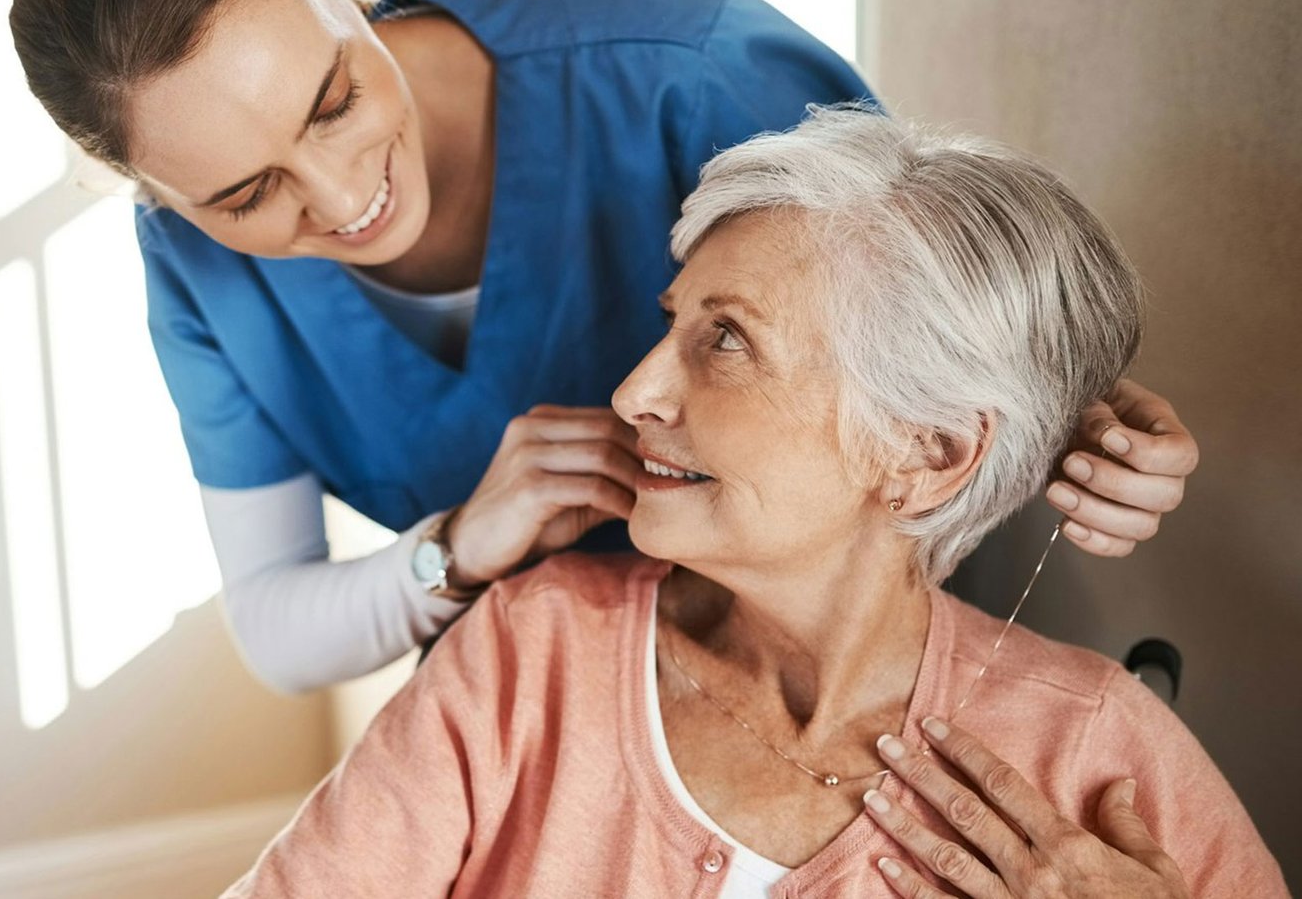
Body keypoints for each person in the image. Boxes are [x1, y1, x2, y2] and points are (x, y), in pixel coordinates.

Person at [220, 108, 1283, 898]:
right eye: (673, 320)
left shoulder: (1099, 751)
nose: (635, 389)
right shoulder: (528, 653)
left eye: (724, 340)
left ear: (925, 452)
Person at [10, 0, 1201, 694]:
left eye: (331, 101)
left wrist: (1056, 408)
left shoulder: (689, 72)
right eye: (245, 191)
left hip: (848, 674)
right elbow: (274, 624)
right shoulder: (193, 272)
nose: (339, 196)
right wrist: (456, 554)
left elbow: (937, 305)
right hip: (553, 702)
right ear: (158, 199)